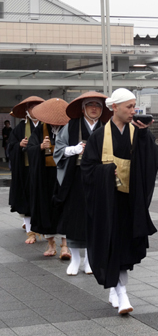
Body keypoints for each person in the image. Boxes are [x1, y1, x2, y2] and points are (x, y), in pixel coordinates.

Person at [81, 88, 158, 315]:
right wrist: (107, 172)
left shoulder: (136, 132)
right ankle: (122, 293)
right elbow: (87, 169)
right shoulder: (98, 136)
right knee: (112, 247)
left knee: (125, 250)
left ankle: (115, 289)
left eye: (134, 106)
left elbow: (152, 158)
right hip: (107, 204)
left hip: (130, 202)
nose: (133, 111)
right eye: (128, 106)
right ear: (114, 107)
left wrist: (145, 135)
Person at [53, 91, 112, 276]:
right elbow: (58, 149)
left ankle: (89, 259)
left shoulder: (107, 127)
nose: (94, 109)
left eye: (97, 106)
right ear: (83, 108)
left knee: (96, 218)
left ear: (102, 110)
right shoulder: (70, 126)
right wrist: (74, 149)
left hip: (98, 178)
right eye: (90, 105)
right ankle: (76, 259)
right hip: (75, 178)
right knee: (75, 219)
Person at [27, 97, 71, 259]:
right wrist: (40, 147)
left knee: (65, 208)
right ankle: (51, 244)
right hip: (45, 177)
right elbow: (30, 149)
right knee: (46, 209)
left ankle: (65, 246)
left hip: (64, 175)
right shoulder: (40, 130)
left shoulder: (68, 128)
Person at [7, 96, 45, 244]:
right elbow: (10, 147)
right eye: (31, 108)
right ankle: (30, 231)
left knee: (42, 199)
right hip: (26, 169)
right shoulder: (20, 128)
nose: (34, 111)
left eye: (37, 108)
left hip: (43, 169)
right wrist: (19, 145)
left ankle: (43, 228)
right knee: (26, 199)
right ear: (27, 111)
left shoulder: (46, 125)